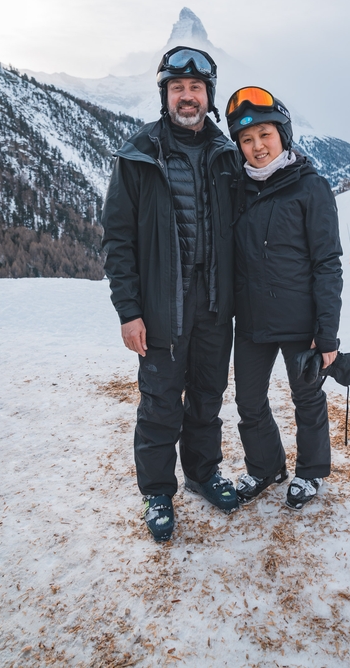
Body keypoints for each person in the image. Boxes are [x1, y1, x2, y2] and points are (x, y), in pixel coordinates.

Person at [102, 46, 241, 542]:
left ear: (208, 96)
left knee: (206, 397)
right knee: (160, 403)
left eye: (196, 88)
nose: (187, 97)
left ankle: (203, 474)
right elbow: (117, 242)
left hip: (213, 305)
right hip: (162, 307)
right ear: (165, 96)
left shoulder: (229, 156)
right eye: (178, 88)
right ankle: (158, 491)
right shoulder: (138, 155)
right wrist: (129, 311)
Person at [226, 86, 343, 510]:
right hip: (253, 320)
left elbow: (328, 262)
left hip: (301, 320)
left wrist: (326, 333)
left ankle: (310, 473)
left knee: (307, 398)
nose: (257, 147)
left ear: (283, 135)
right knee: (248, 400)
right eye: (247, 139)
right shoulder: (237, 188)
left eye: (265, 135)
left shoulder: (311, 188)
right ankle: (266, 467)